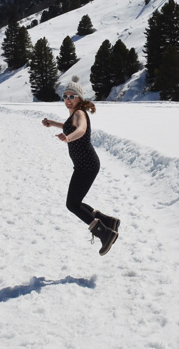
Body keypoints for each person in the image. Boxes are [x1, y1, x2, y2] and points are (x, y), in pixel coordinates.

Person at [41, 76, 120, 256]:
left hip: (87, 165)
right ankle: (109, 222)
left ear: (79, 98)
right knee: (75, 202)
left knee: (72, 204)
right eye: (65, 96)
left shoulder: (80, 114)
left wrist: (68, 138)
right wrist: (53, 123)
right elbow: (69, 126)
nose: (68, 100)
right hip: (84, 165)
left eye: (72, 96)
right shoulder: (74, 114)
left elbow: (81, 130)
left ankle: (105, 233)